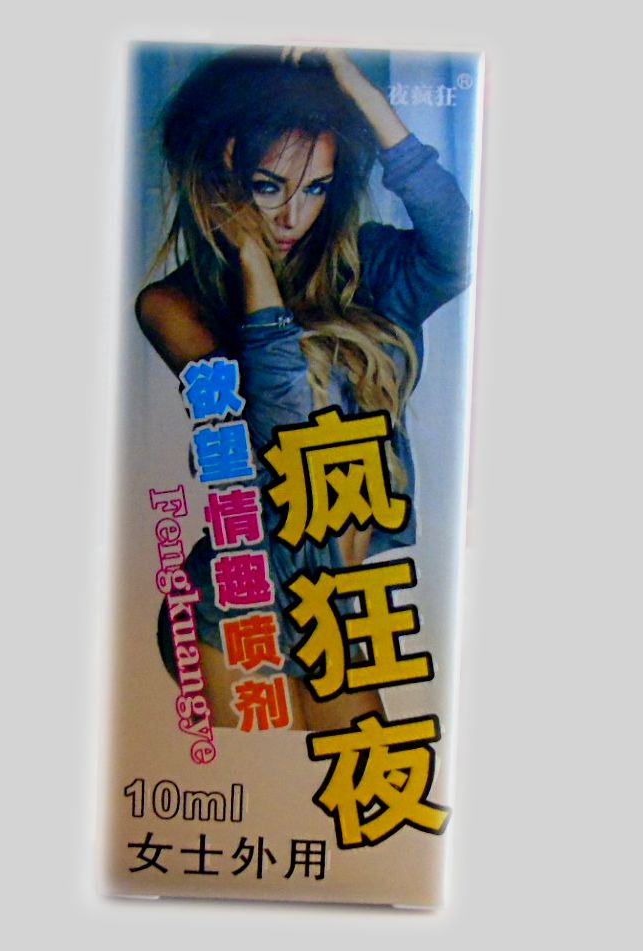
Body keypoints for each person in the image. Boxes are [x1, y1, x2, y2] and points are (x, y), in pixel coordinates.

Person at [136, 46, 472, 731]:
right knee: (261, 795)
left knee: (366, 783)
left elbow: (456, 249)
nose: (293, 215)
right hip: (237, 609)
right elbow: (282, 433)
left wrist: (364, 99)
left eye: (316, 187)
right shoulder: (175, 305)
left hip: (331, 603)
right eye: (269, 187)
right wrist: (255, 272)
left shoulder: (369, 269)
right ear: (224, 178)